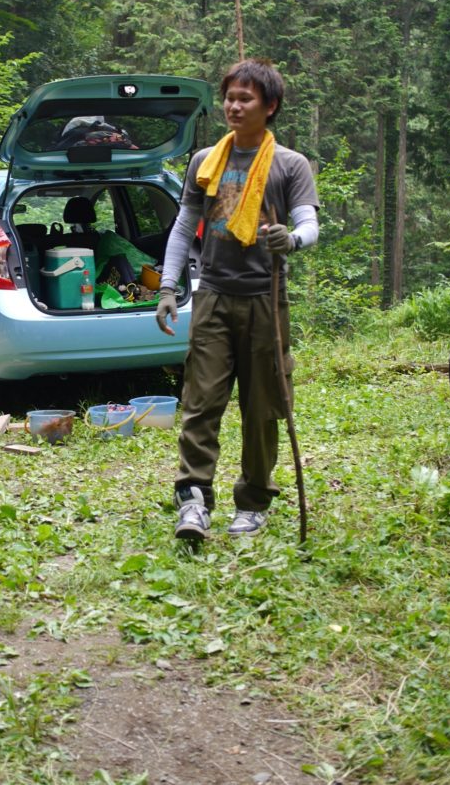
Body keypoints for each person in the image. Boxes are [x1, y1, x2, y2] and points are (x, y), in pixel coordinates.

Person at [156, 58, 319, 540]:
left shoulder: (290, 165)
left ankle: (252, 501)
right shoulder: (207, 161)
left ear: (269, 107)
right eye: (229, 96)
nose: (233, 105)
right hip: (213, 297)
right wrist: (168, 286)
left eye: (245, 98)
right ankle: (193, 499)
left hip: (266, 301)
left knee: (263, 405)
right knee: (201, 401)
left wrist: (291, 240)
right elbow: (186, 225)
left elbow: (310, 222)